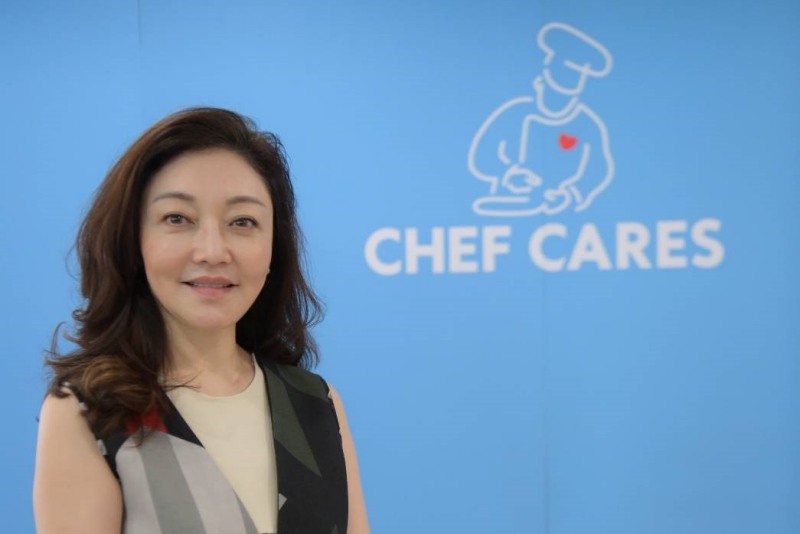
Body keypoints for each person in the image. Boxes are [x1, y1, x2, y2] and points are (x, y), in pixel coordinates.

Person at [33, 107, 370, 534]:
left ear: (274, 247)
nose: (212, 251)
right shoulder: (89, 411)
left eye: (242, 222)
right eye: (177, 218)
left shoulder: (316, 404)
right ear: (134, 239)